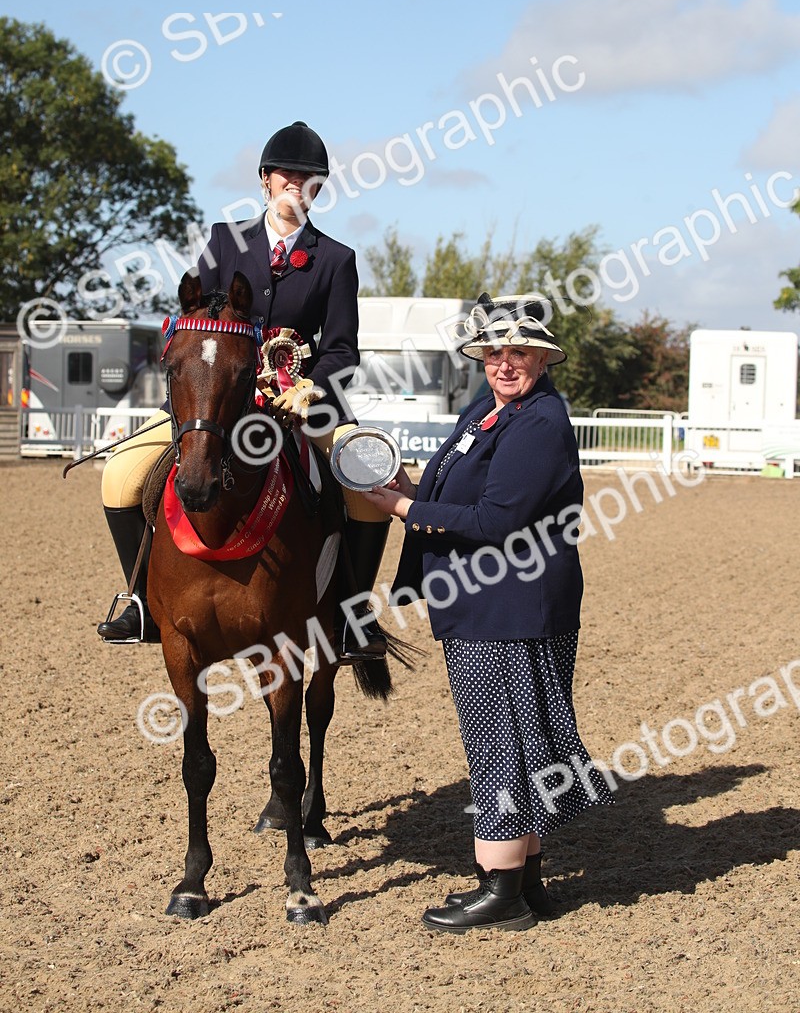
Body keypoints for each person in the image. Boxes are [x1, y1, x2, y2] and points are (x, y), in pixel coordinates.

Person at [363, 292, 614, 933]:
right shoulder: (486, 412)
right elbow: (460, 489)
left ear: (542, 359)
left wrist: (402, 512)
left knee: (500, 746)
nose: (505, 363)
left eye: (519, 353)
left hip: (511, 605)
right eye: (494, 353)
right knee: (517, 744)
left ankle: (500, 888)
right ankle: (524, 885)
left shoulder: (539, 422)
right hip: (487, 604)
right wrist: (411, 488)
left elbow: (496, 520)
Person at [98, 121, 390, 659]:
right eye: (287, 175)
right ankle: (141, 602)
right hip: (214, 402)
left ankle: (352, 618)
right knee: (120, 475)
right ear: (264, 180)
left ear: (319, 188)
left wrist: (304, 390)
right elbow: (196, 324)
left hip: (300, 408)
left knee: (369, 490)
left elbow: (343, 350)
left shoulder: (336, 259)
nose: (295, 185)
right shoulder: (224, 241)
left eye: (309, 178)